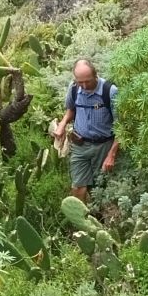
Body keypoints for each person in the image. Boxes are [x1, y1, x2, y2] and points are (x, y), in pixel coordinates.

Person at [52, 59, 119, 202]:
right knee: (78, 187)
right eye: (79, 82)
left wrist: (111, 155)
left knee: (100, 188)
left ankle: (99, 219)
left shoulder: (110, 92)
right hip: (79, 145)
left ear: (96, 75)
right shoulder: (74, 88)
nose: (83, 85)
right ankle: (80, 222)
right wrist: (62, 124)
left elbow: (121, 126)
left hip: (104, 146)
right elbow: (71, 109)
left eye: (87, 81)